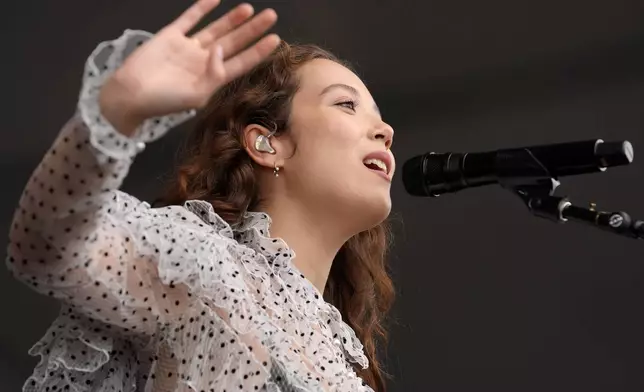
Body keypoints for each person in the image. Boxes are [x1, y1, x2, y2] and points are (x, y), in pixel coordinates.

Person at [6, 0, 396, 391]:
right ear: (265, 144)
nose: (385, 130)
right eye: (347, 104)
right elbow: (44, 249)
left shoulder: (340, 359)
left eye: (378, 115)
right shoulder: (201, 268)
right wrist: (117, 114)